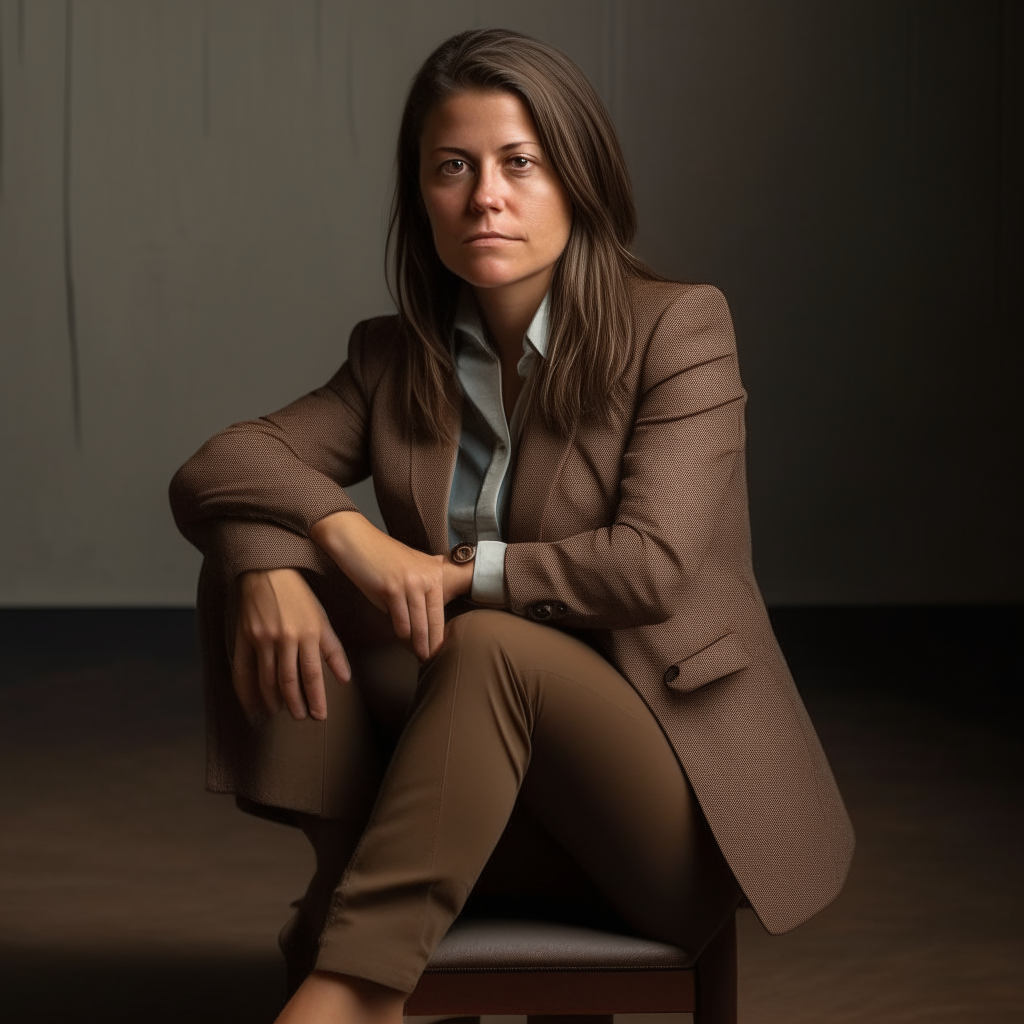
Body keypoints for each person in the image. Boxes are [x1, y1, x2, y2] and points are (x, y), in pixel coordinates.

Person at [169, 27, 854, 1024]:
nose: (483, 194)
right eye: (452, 167)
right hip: (475, 804)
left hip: (655, 820)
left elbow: (652, 564)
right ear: (421, 197)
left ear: (575, 179)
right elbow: (222, 466)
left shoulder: (678, 328)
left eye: (518, 163)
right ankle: (349, 890)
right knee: (265, 559)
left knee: (490, 639)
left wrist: (452, 572)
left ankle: (353, 991)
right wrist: (306, 548)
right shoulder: (391, 358)